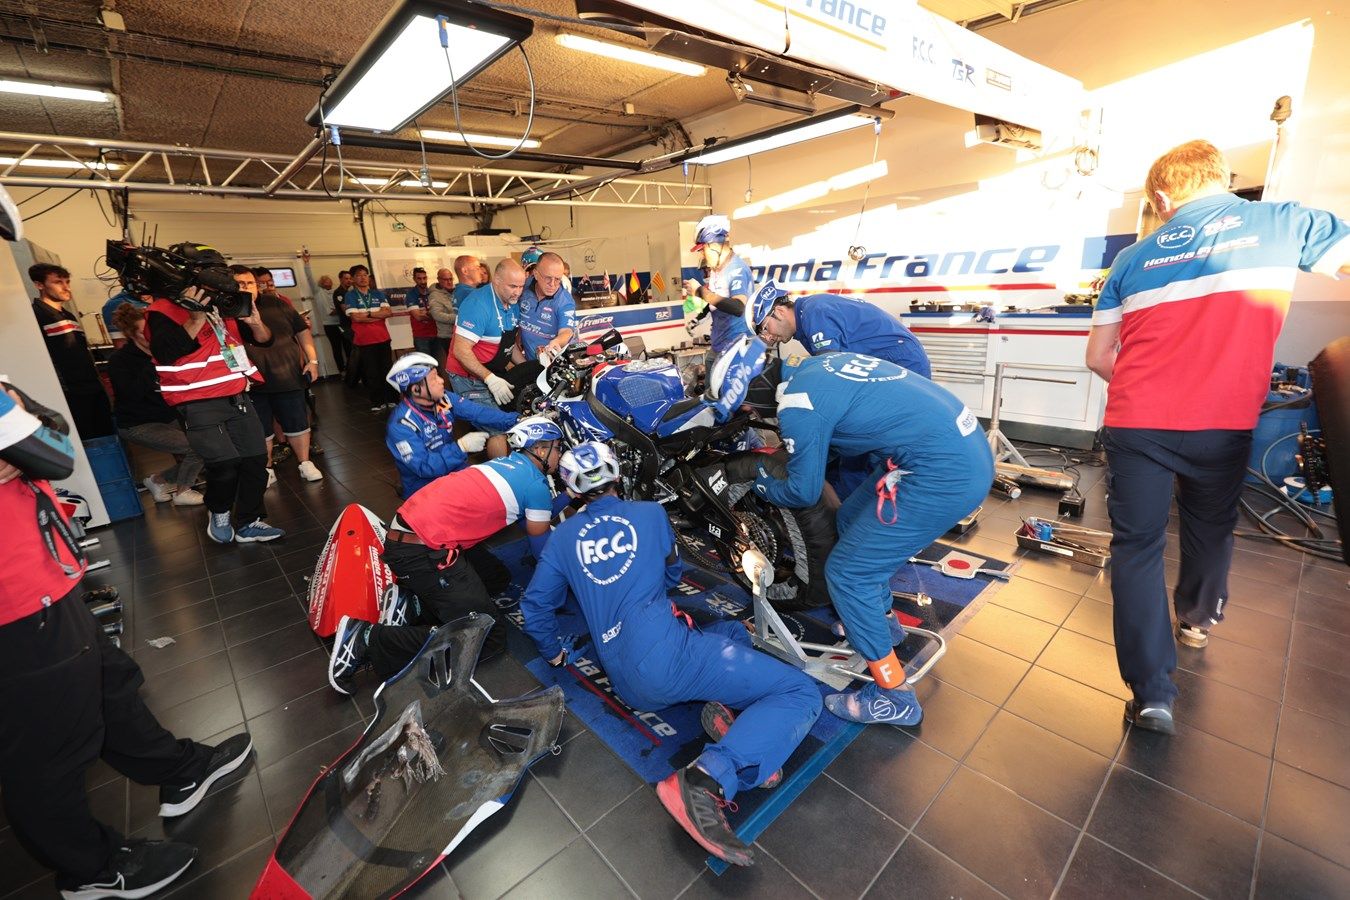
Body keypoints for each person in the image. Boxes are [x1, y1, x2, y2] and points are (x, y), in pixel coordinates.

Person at [1085, 139, 1350, 735]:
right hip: (1223, 421)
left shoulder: (1131, 258)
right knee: (1209, 526)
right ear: (1222, 179)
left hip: (1137, 421)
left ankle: (1153, 695)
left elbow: (1100, 356)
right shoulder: (1284, 222)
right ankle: (1198, 619)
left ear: (1161, 198)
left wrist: (1146, 387)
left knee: (1136, 548)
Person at [0, 384, 255, 900]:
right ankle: (89, 868)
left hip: (49, 583)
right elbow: (55, 456)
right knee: (48, 749)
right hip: (16, 610)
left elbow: (54, 430)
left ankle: (178, 771)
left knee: (110, 688)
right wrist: (24, 432)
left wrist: (24, 426)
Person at [520, 441, 821, 867]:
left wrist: (553, 654)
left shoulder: (561, 538)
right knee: (800, 693)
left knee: (732, 631)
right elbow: (672, 572)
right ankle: (705, 779)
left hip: (627, 680)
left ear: (572, 490)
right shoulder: (650, 513)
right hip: (670, 659)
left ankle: (739, 727)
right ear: (617, 476)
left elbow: (535, 606)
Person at [752, 352, 993, 726]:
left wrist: (763, 486)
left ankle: (893, 695)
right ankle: (882, 623)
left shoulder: (796, 404)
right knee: (849, 520)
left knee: (848, 574)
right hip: (958, 445)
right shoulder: (814, 366)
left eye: (748, 408)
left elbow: (802, 491)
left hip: (945, 472)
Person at [327, 417, 564, 695]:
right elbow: (542, 550)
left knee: (496, 577)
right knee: (488, 639)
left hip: (408, 532)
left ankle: (415, 603)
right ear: (540, 449)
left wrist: (572, 493)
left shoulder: (506, 464)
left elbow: (535, 517)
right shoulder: (535, 486)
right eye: (558, 447)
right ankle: (366, 639)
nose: (561, 454)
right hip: (421, 552)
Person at [144, 243, 284, 544]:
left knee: (255, 462)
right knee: (224, 465)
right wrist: (196, 317)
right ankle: (219, 511)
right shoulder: (162, 310)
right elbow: (165, 352)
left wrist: (256, 323)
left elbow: (264, 340)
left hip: (238, 396)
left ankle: (249, 521)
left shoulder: (224, 304)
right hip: (198, 402)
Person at [229, 266, 323, 484]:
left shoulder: (276, 303)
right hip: (250, 381)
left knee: (297, 422)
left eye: (250, 283)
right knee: (260, 429)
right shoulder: (225, 311)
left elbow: (302, 330)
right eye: (240, 284)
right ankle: (267, 468)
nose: (246, 288)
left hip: (287, 375)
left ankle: (305, 462)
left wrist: (312, 361)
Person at [106, 303, 205, 506]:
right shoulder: (120, 360)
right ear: (132, 335)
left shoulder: (167, 350)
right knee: (197, 447)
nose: (151, 336)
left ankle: (158, 480)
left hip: (168, 416)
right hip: (137, 423)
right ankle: (183, 491)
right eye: (144, 332)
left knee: (208, 443)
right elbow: (130, 394)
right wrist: (154, 363)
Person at [384, 352, 516, 498]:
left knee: (496, 489)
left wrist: (518, 419)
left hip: (453, 469)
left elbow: (479, 413)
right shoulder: (402, 425)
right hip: (424, 488)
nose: (441, 381)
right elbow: (424, 467)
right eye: (434, 379)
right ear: (416, 390)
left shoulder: (443, 399)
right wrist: (461, 447)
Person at [748, 281, 932, 378]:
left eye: (765, 328)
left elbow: (830, 369)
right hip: (888, 359)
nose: (768, 338)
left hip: (900, 359)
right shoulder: (805, 319)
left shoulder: (814, 312)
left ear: (779, 312)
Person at [29, 263, 115, 438]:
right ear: (39, 285)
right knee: (86, 438)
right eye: (58, 282)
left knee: (107, 435)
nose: (66, 287)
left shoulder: (69, 315)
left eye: (67, 281)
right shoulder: (36, 315)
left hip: (92, 388)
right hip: (71, 393)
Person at [446, 258, 527, 410]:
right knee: (496, 422)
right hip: (467, 377)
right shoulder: (477, 304)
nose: (517, 292)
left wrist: (529, 368)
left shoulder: (512, 303)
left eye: (521, 286)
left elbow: (510, 346)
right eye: (512, 286)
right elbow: (460, 350)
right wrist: (490, 379)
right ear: (497, 280)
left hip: (493, 371)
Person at [681, 214, 754, 367]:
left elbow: (738, 307)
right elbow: (716, 301)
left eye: (702, 249)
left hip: (735, 347)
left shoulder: (737, 269)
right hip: (718, 345)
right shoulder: (716, 270)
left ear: (714, 245)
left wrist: (700, 291)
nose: (701, 255)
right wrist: (697, 319)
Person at [344, 264, 397, 411]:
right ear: (353, 279)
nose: (363, 278)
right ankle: (377, 402)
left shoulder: (377, 294)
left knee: (387, 369)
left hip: (383, 338)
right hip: (364, 341)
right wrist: (377, 315)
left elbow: (388, 313)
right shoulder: (351, 295)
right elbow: (355, 317)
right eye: (359, 275)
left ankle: (392, 399)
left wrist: (367, 314)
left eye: (365, 275)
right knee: (371, 372)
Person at [516, 251, 577, 364]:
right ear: (536, 274)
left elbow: (567, 331)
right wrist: (519, 335)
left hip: (557, 362)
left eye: (557, 279)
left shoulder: (564, 300)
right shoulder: (523, 287)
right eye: (548, 278)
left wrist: (556, 342)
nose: (552, 284)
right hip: (530, 361)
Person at [302, 249, 343, 375]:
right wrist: (306, 263)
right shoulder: (318, 292)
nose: (327, 281)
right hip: (329, 325)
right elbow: (309, 278)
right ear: (321, 283)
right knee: (336, 349)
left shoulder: (337, 292)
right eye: (324, 280)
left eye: (328, 279)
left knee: (348, 348)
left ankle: (353, 372)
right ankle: (342, 371)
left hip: (341, 323)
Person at [404, 266, 440, 358]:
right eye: (419, 279)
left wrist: (428, 313)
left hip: (437, 334)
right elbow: (418, 316)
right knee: (426, 365)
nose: (423, 281)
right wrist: (435, 314)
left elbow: (439, 310)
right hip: (421, 337)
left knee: (439, 364)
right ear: (414, 279)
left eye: (424, 278)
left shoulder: (432, 292)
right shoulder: (411, 294)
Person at [427, 267, 457, 364]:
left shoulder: (455, 291)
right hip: (447, 336)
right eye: (446, 279)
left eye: (451, 279)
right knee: (454, 364)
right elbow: (437, 315)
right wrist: (458, 318)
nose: (449, 282)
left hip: (459, 334)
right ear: (439, 280)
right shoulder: (434, 295)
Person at [332, 268, 354, 376]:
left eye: (350, 278)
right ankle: (352, 376)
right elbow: (346, 311)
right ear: (340, 279)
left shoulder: (350, 292)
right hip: (347, 326)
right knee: (350, 351)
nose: (349, 281)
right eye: (346, 279)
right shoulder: (339, 292)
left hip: (353, 325)